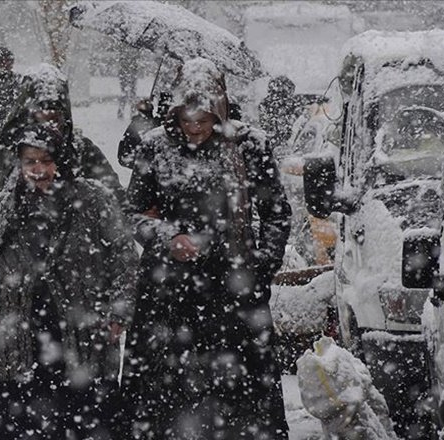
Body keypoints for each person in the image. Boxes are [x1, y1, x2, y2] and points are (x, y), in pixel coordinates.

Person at [120, 58, 292, 439]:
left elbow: (276, 213)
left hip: (233, 294)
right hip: (168, 294)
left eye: (203, 121)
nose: (195, 130)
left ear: (219, 111)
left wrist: (260, 268)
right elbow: (130, 213)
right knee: (165, 400)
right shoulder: (155, 146)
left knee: (238, 402)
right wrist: (167, 237)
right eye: (187, 121)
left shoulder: (249, 146)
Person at [0, 63, 125, 385]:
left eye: (56, 114)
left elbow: (117, 216)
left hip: (77, 302)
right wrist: (0, 251)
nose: (49, 121)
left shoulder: (83, 153)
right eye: (41, 112)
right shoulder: (0, 153)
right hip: (17, 303)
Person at [0, 123, 137, 439]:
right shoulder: (4, 207)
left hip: (84, 336)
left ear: (63, 160)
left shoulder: (95, 201)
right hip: (20, 337)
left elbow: (125, 259)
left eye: (46, 160)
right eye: (30, 161)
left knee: (86, 420)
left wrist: (119, 311)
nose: (39, 169)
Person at [258, 75, 301, 158]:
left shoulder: (265, 103)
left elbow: (265, 124)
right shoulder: (289, 104)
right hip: (277, 143)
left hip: (275, 142)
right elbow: (266, 125)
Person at [117, 46, 140, 119]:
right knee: (129, 92)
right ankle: (128, 111)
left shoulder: (123, 48)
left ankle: (124, 110)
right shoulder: (135, 47)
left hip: (127, 72)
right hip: (128, 72)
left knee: (127, 92)